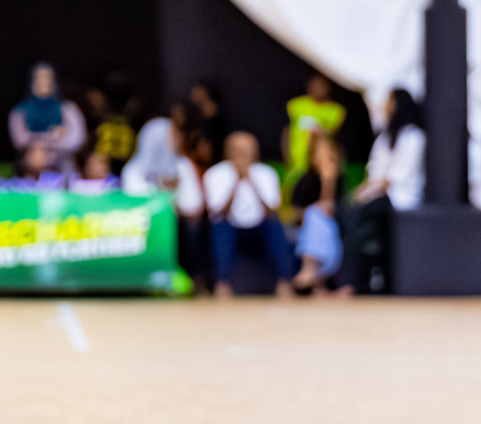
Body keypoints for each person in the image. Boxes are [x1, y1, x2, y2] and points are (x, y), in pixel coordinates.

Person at [341, 88, 423, 293]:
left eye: (389, 103)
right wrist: (357, 194)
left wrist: (367, 193)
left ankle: (349, 284)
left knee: (356, 216)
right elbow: (373, 173)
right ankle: (349, 279)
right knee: (343, 210)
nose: (385, 108)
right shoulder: (383, 137)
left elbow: (397, 177)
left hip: (399, 197)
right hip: (376, 194)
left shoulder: (413, 136)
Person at [203, 132, 294, 297]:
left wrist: (251, 181)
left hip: (259, 227)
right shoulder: (216, 173)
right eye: (239, 150)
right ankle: (222, 283)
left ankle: (284, 282)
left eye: (248, 150)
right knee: (220, 225)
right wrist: (236, 182)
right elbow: (216, 212)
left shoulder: (266, 173)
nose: (244, 155)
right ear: (228, 151)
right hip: (230, 227)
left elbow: (273, 210)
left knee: (275, 224)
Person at [122, 116, 206, 287]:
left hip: (176, 230)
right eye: (172, 135)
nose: (178, 140)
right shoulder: (133, 170)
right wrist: (164, 198)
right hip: (145, 232)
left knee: (191, 227)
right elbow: (134, 207)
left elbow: (195, 207)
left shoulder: (182, 166)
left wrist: (175, 200)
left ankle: (192, 277)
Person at [288, 132, 344, 294]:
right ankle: (315, 277)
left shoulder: (338, 181)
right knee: (314, 214)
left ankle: (310, 272)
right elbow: (294, 215)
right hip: (304, 230)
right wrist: (311, 212)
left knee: (319, 215)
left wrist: (328, 181)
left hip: (331, 231)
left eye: (329, 154)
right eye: (320, 152)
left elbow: (334, 211)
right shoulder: (304, 180)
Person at [8, 63, 86, 173]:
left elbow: (76, 140)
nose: (43, 82)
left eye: (47, 77)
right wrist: (51, 137)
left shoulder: (68, 109)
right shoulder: (20, 111)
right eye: (38, 78)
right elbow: (20, 141)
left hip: (63, 171)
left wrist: (46, 141)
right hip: (30, 171)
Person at [284, 74, 346, 183]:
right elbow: (287, 132)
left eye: (322, 86)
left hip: (320, 160)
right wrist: (286, 154)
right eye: (315, 85)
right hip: (298, 159)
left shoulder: (336, 110)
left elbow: (335, 135)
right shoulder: (296, 105)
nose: (318, 89)